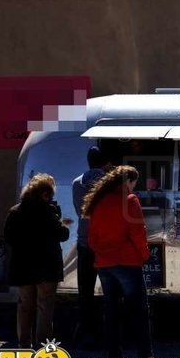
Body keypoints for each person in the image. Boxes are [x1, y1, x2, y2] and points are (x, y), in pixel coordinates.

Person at [82, 165, 172, 358]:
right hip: (127, 261)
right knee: (139, 310)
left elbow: (92, 237)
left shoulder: (98, 201)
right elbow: (137, 231)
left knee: (111, 310)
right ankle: (146, 357)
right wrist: (145, 254)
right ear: (127, 182)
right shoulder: (130, 201)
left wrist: (101, 254)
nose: (134, 187)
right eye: (133, 183)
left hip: (104, 264)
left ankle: (115, 357)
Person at [4, 173, 71, 348]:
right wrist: (62, 223)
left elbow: (9, 238)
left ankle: (24, 343)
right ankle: (42, 344)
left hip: (23, 266)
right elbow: (62, 235)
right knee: (45, 306)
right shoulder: (48, 211)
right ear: (45, 194)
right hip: (47, 267)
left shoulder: (15, 211)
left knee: (25, 305)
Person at [72, 146, 108, 346]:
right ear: (104, 162)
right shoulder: (109, 183)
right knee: (110, 287)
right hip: (105, 242)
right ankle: (105, 331)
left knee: (85, 289)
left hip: (84, 239)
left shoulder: (77, 182)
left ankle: (85, 329)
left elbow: (80, 211)